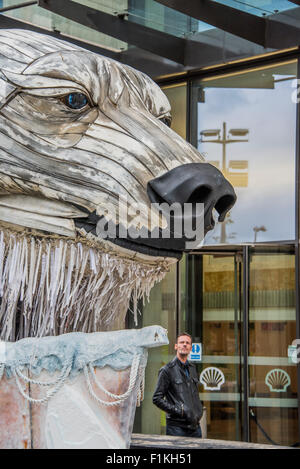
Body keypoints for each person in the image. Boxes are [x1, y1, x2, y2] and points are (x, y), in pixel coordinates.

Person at [152, 332, 203, 438]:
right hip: (177, 428)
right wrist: (178, 411)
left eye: (187, 343)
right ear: (176, 346)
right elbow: (156, 398)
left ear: (191, 348)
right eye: (181, 342)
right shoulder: (167, 370)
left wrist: (198, 411)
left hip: (195, 427)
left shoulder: (193, 368)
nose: (184, 344)